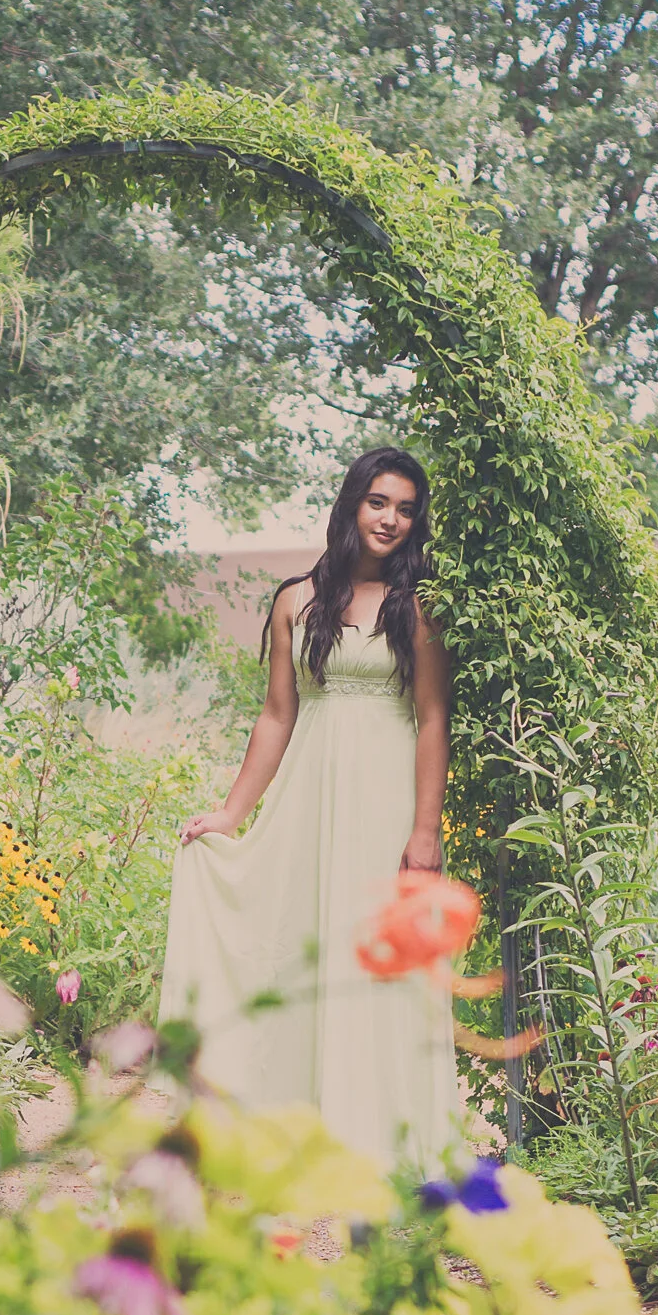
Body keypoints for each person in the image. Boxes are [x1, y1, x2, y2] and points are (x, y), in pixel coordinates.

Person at [160, 446, 458, 1172]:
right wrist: (230, 815)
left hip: (385, 794)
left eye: (405, 508)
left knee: (378, 959)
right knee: (299, 944)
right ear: (351, 503)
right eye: (378, 501)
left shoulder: (418, 603)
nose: (390, 518)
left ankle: (382, 1138)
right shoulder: (295, 598)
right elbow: (274, 717)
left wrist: (423, 830)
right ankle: (290, 1128)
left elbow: (431, 718)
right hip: (308, 793)